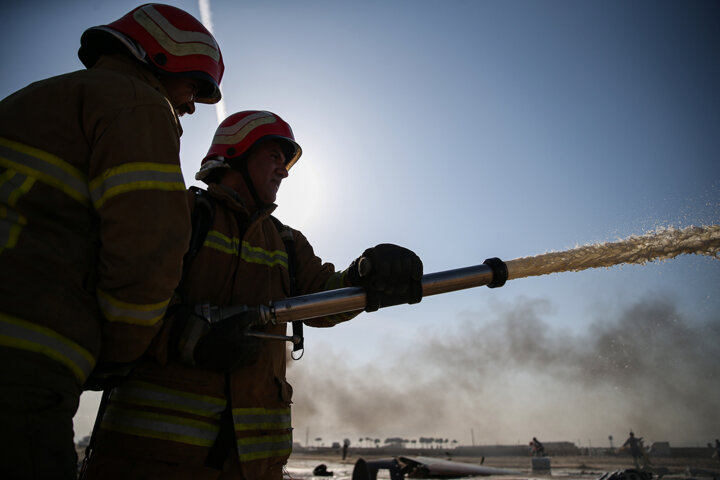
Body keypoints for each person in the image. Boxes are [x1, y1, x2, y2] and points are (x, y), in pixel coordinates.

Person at [81, 110, 424, 479]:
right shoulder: (178, 215)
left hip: (256, 468)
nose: (284, 171)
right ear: (236, 154)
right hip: (150, 461)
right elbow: (120, 299)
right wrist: (189, 337)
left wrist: (365, 275)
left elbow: (323, 301)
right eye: (274, 157)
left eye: (285, 162)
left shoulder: (287, 243)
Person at [0, 4, 224, 479]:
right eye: (193, 88)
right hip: (23, 359)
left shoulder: (29, 99)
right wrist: (117, 353)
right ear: (163, 58)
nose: (189, 105)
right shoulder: (136, 104)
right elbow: (149, 253)